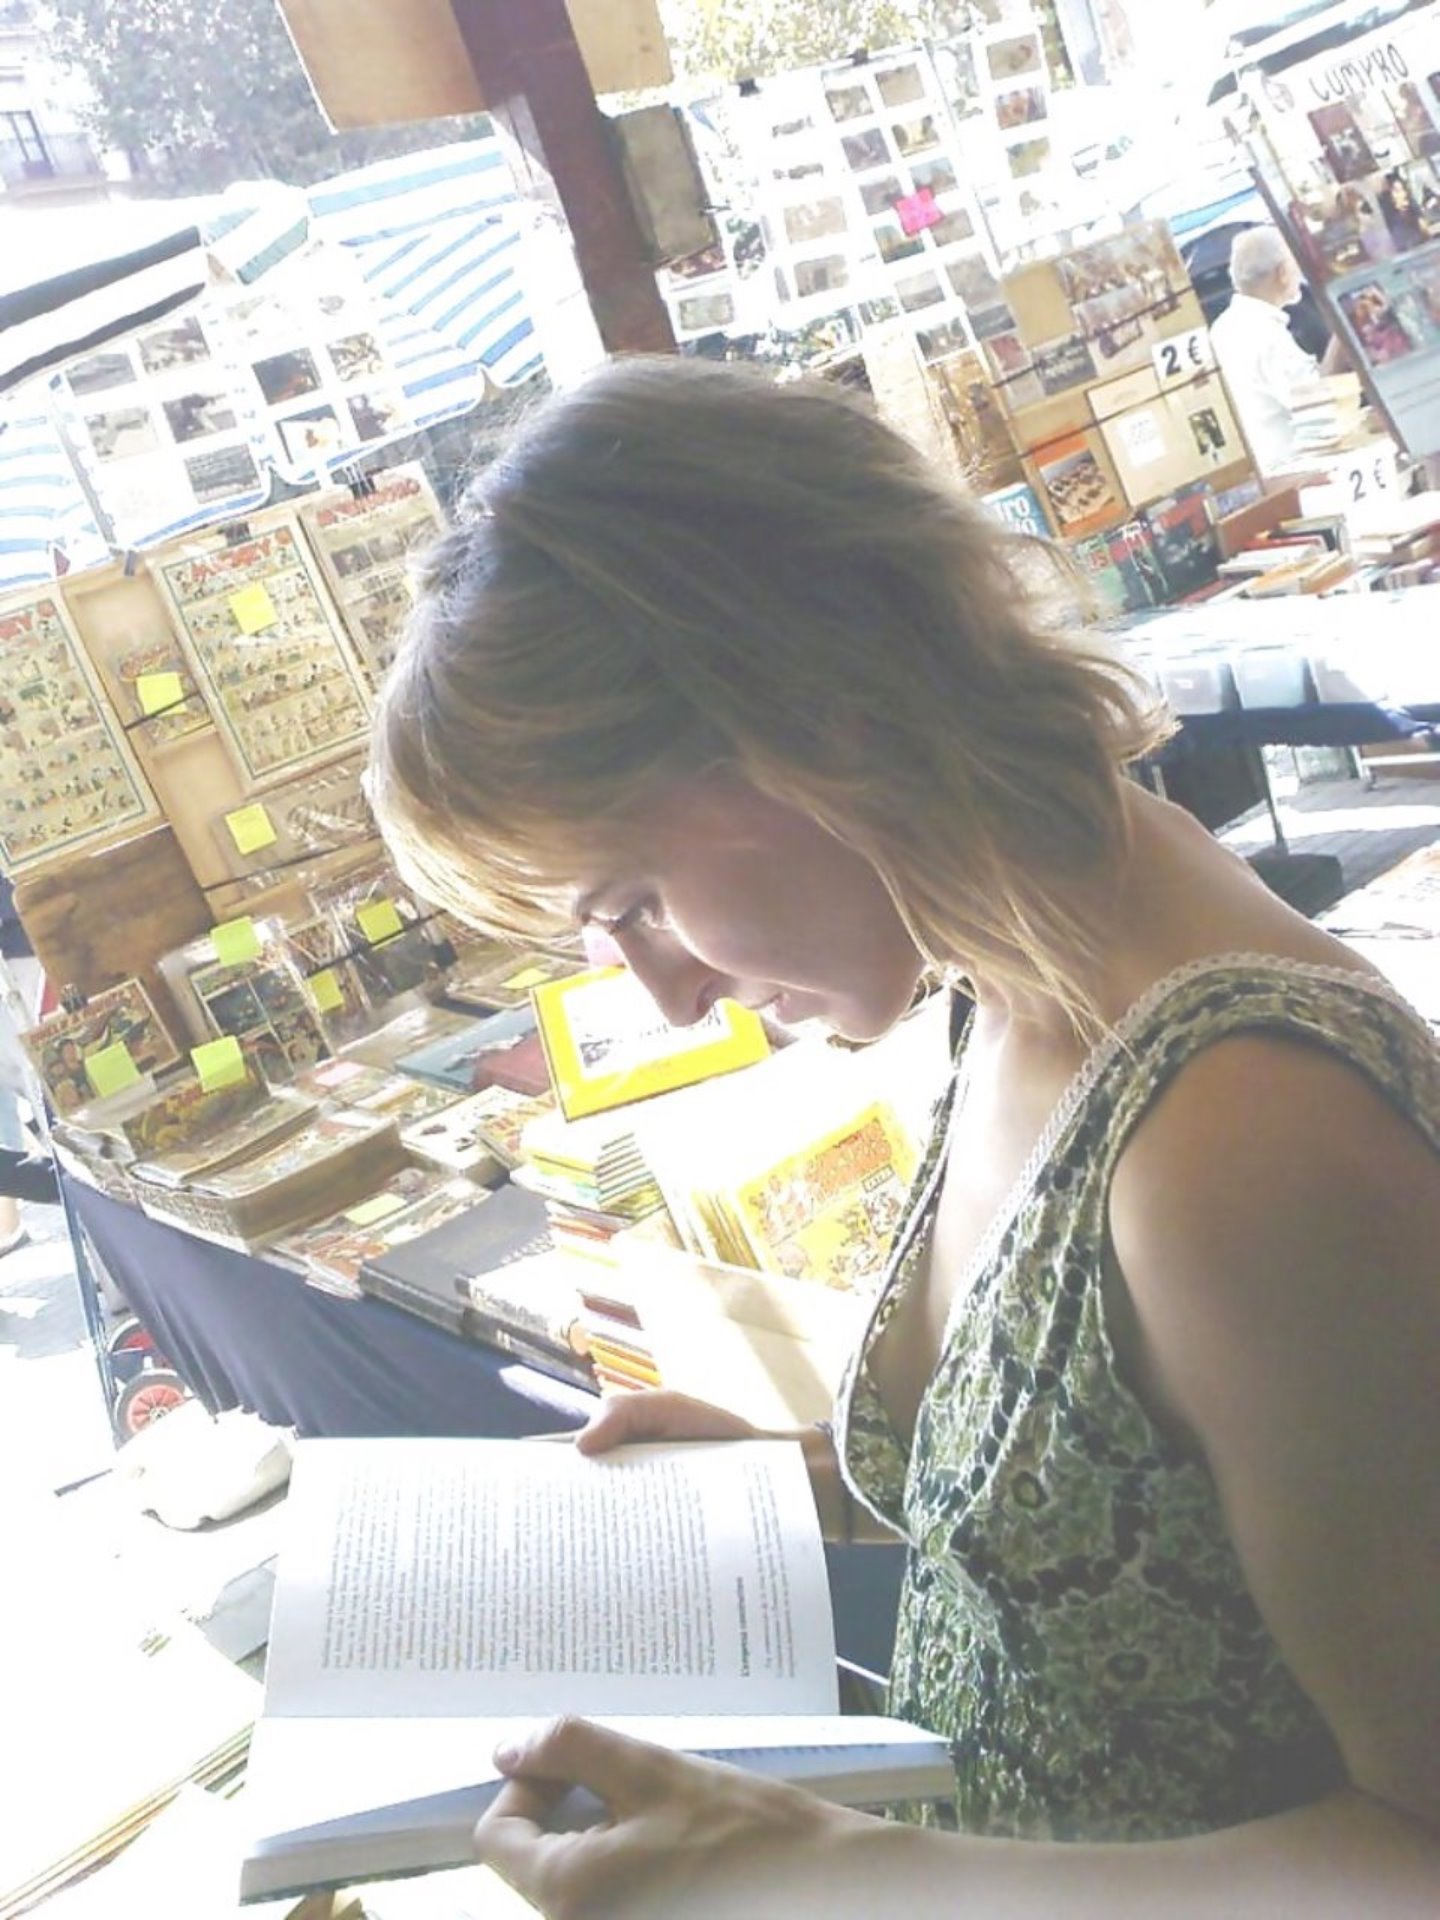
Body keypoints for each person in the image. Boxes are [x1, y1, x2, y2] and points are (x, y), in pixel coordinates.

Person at [368, 356, 1440, 1919]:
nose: (663, 996)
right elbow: (1151, 1512)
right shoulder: (1018, 973)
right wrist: (803, 1483)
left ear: (803, 725)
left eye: (636, 902)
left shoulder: (1244, 1129)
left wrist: (842, 1877)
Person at [1210, 225, 1348, 476]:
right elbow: (1315, 400)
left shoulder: (1223, 327)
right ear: (1283, 272)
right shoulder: (1263, 333)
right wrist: (1343, 329)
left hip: (1265, 465)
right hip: (1295, 466)